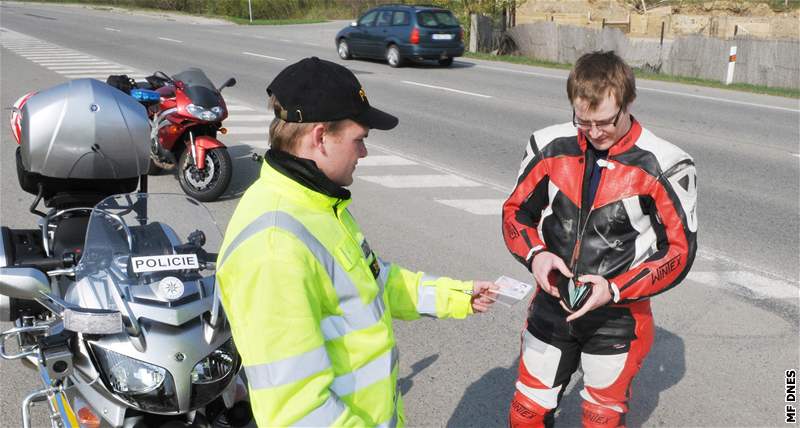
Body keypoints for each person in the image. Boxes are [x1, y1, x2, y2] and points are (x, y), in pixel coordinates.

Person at [215, 57, 498, 427]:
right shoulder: (273, 248)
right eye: (358, 140)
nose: (363, 153)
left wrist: (458, 296)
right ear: (320, 137)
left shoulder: (318, 204)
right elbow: (299, 412)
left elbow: (376, 284)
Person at [502, 50, 697, 427]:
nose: (593, 133)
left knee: (600, 420)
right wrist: (537, 256)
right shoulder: (548, 144)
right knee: (525, 415)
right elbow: (515, 212)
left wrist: (615, 288)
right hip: (553, 303)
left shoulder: (667, 163)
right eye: (583, 121)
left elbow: (679, 251)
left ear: (629, 102)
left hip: (617, 316)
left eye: (605, 121)